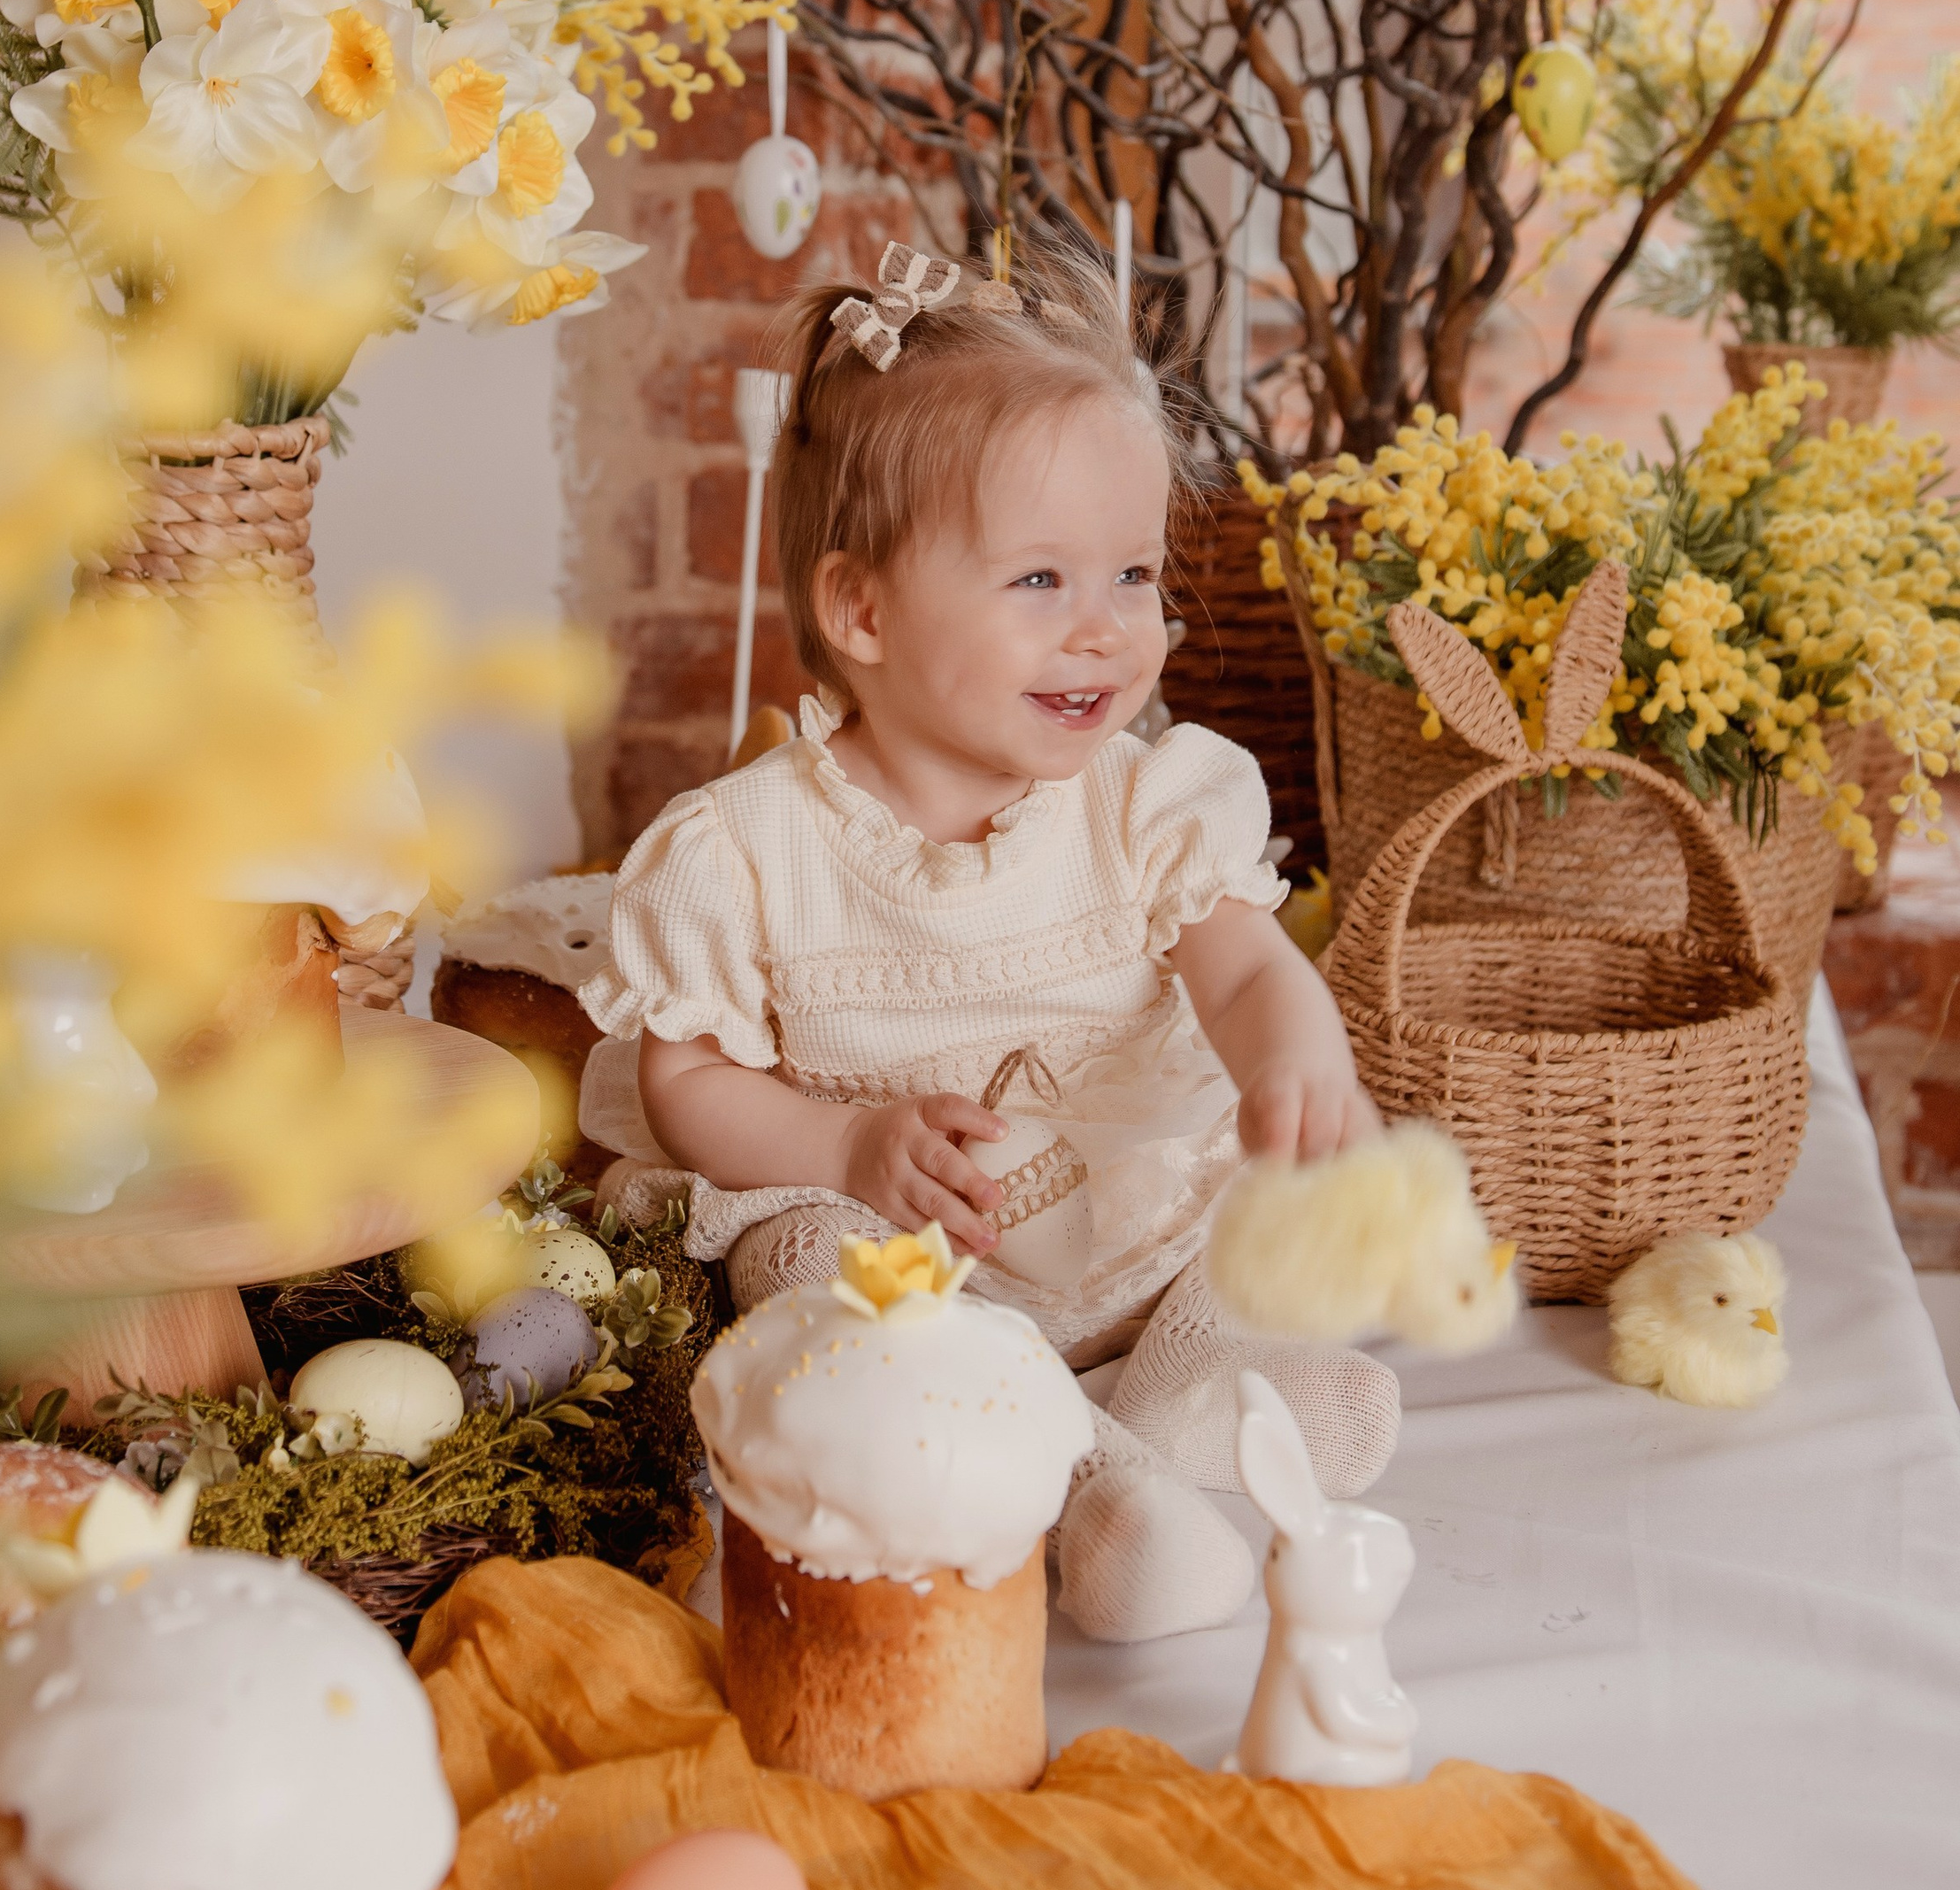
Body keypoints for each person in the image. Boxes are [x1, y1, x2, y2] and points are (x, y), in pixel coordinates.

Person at [578, 241, 1395, 1641]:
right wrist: (839, 1150)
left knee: (1282, 1239)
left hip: (1126, 1229)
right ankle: (1101, 1496)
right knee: (794, 1266)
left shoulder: (1147, 802)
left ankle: (1172, 1409)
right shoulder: (747, 851)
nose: (1106, 632)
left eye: (1132, 574)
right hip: (918, 1266)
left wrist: (1294, 1053)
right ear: (865, 610)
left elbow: (1247, 965)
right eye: (1040, 583)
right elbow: (686, 1085)